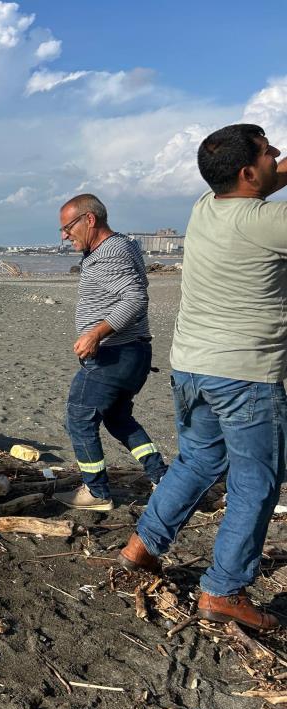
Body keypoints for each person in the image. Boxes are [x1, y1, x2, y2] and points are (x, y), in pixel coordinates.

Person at [118, 124, 287, 631]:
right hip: (245, 375)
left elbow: (263, 184)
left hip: (191, 367)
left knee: (197, 460)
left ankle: (141, 547)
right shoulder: (269, 222)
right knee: (256, 483)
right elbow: (268, 192)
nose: (277, 153)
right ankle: (222, 591)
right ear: (247, 171)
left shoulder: (204, 206)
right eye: (268, 150)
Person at [54, 194, 167, 511]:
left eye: (67, 227)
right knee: (118, 418)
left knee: (79, 419)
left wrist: (95, 333)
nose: (64, 235)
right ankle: (161, 476)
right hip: (134, 353)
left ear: (89, 219)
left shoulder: (110, 253)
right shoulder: (123, 245)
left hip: (114, 356)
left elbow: (135, 299)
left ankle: (96, 492)